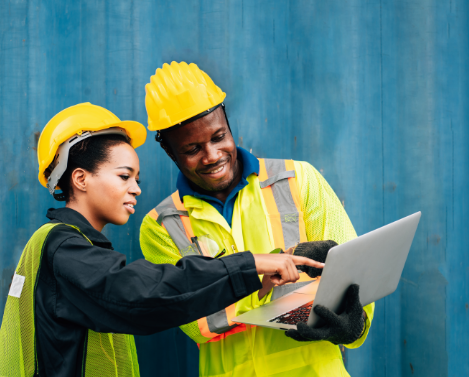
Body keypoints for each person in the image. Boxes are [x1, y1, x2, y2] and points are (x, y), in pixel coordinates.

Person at [0, 103, 324, 377]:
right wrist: (249, 265)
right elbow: (141, 295)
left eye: (136, 178)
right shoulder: (64, 248)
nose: (136, 188)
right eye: (124, 176)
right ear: (80, 179)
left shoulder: (67, 247)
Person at [139, 62, 374, 376]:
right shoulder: (162, 226)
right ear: (170, 152)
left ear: (228, 125)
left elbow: (354, 271)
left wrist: (353, 325)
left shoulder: (298, 179)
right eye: (192, 149)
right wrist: (263, 280)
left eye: (218, 136)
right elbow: (197, 323)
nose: (212, 156)